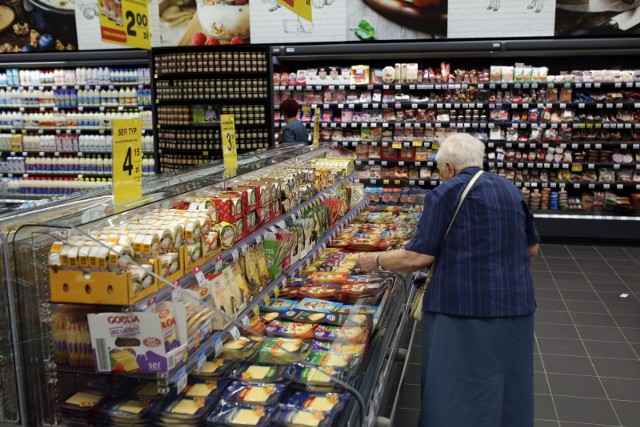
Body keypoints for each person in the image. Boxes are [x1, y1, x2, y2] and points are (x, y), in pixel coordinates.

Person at [356, 133, 540, 427]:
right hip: (516, 306)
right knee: (507, 388)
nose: (439, 175)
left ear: (451, 168)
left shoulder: (445, 194)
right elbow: (532, 249)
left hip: (461, 309)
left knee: (455, 391)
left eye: (439, 168)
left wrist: (374, 260)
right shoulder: (511, 189)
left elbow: (418, 257)